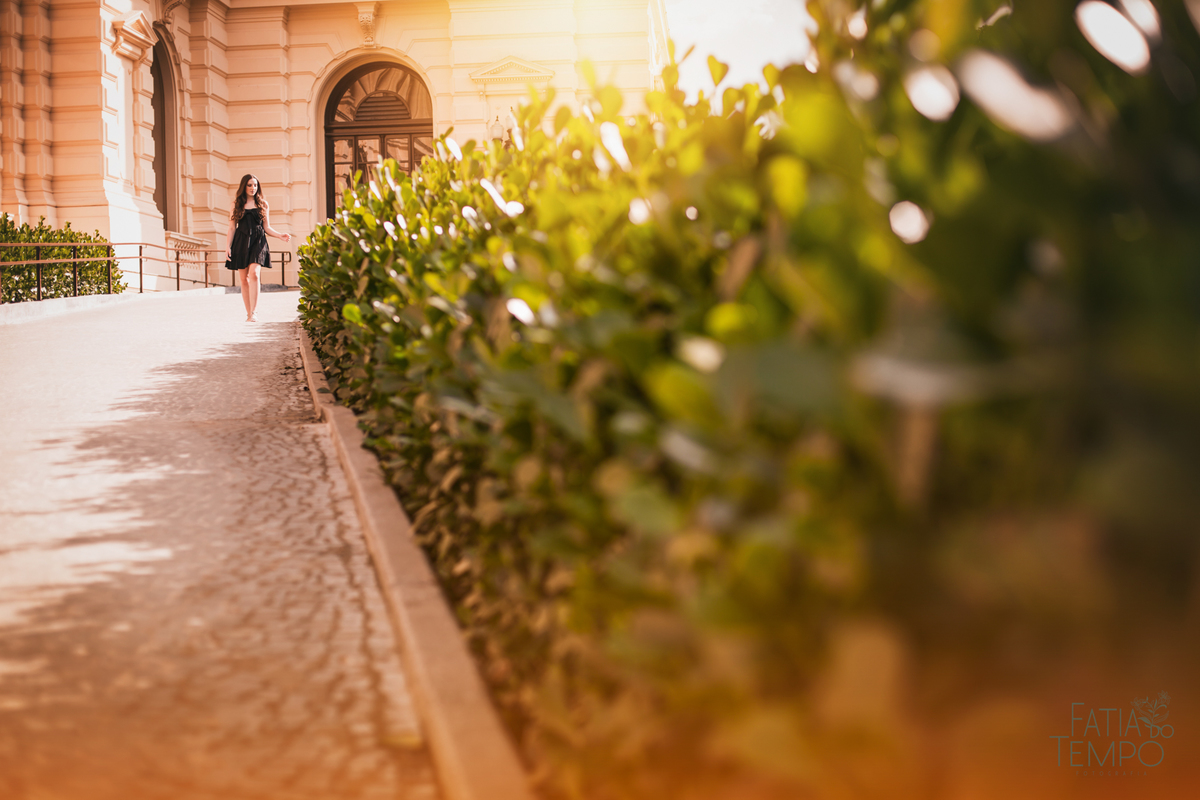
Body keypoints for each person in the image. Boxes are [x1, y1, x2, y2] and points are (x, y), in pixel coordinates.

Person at [225, 174, 291, 322]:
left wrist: (279, 235)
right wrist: (228, 246)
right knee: (244, 279)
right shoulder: (236, 204)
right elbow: (231, 228)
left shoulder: (263, 204)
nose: (253, 188)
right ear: (244, 186)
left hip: (258, 241)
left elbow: (266, 227)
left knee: (254, 274)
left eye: (255, 185)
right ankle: (248, 313)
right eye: (249, 185)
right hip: (241, 242)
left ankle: (254, 312)